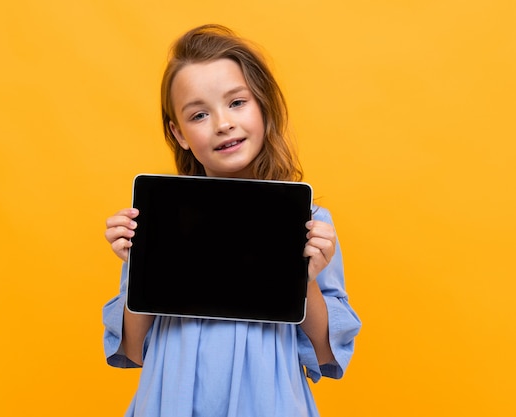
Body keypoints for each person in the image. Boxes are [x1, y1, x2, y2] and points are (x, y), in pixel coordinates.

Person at [103, 24, 361, 417]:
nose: (223, 123)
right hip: (171, 401)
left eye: (237, 102)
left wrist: (304, 278)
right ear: (180, 133)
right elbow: (133, 351)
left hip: (267, 401)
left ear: (262, 106)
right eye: (200, 114)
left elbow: (326, 353)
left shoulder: (310, 225)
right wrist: (140, 265)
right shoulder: (158, 220)